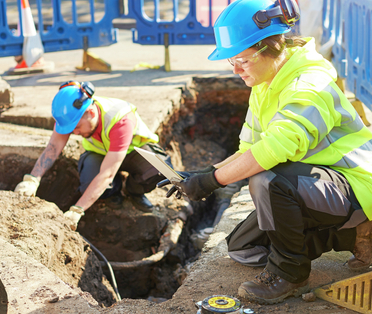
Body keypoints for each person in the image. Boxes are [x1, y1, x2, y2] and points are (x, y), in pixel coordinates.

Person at [159, 0, 372, 305]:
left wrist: (212, 183)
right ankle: (355, 236)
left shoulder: (308, 84)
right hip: (318, 184)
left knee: (267, 180)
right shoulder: (266, 82)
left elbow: (272, 150)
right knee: (243, 248)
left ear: (269, 47)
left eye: (241, 60)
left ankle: (290, 274)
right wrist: (201, 175)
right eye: (230, 60)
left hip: (358, 186)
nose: (235, 70)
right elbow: (248, 149)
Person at [15, 80, 171, 230]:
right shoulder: (71, 116)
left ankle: (133, 191)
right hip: (101, 154)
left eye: (76, 128)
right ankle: (113, 192)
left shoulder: (120, 120)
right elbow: (53, 147)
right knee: (89, 183)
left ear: (90, 112)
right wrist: (32, 179)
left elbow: (107, 174)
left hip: (134, 153)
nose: (74, 133)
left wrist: (77, 210)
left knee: (160, 169)